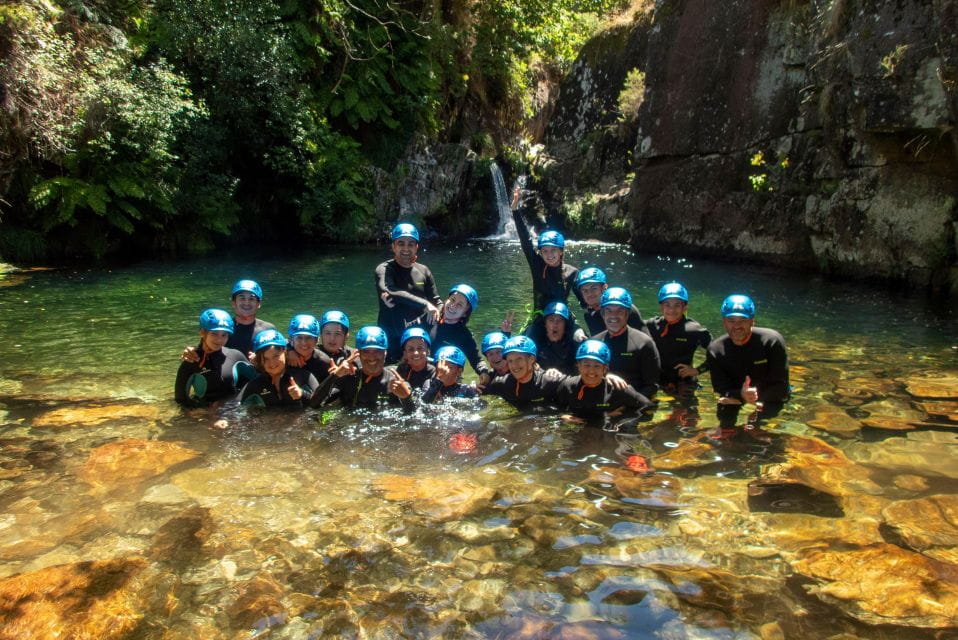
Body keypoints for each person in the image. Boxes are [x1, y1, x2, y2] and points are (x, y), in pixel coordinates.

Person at [705, 295, 789, 427]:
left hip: (771, 394)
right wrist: (741, 395)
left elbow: (781, 385)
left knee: (756, 429)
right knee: (724, 413)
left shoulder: (771, 341)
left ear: (752, 321)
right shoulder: (716, 349)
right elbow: (721, 388)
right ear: (724, 322)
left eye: (743, 320)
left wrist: (757, 400)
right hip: (737, 393)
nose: (737, 326)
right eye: (731, 320)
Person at [375, 223, 442, 363]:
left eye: (411, 244)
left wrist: (440, 313)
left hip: (418, 343)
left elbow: (437, 302)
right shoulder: (384, 269)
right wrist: (425, 304)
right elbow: (389, 290)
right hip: (393, 339)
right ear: (393, 246)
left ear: (417, 247)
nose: (406, 248)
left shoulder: (423, 271)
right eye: (401, 243)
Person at [511, 190, 584, 313]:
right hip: (540, 317)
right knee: (528, 334)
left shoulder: (572, 272)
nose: (549, 255)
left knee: (580, 334)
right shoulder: (537, 265)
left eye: (553, 250)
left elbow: (585, 301)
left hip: (563, 318)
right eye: (545, 251)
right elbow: (525, 240)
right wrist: (515, 210)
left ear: (561, 251)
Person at [311, 326, 415, 412]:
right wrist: (335, 375)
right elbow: (314, 404)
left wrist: (406, 398)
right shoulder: (349, 378)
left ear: (385, 353)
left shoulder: (396, 382)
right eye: (366, 351)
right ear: (358, 354)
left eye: (377, 351)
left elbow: (413, 416)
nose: (372, 357)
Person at [556, 340, 654, 423]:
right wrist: (562, 416)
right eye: (586, 365)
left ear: (605, 368)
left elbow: (649, 408)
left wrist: (619, 417)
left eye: (597, 365)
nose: (591, 371)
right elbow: (554, 409)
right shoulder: (568, 386)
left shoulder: (619, 388)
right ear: (578, 366)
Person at [593, 287, 661, 400]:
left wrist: (629, 405)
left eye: (619, 310)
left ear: (627, 314)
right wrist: (605, 377)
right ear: (603, 314)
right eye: (609, 310)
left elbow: (652, 386)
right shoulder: (594, 343)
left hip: (634, 404)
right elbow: (583, 376)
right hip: (602, 403)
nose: (613, 315)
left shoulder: (644, 343)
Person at [174, 309, 250, 406]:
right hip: (207, 414)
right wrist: (205, 412)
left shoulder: (235, 356)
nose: (219, 340)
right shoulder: (191, 361)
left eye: (224, 335)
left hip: (232, 411)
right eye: (214, 333)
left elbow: (258, 380)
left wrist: (258, 359)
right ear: (202, 332)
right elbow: (180, 400)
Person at [645, 282, 712, 389]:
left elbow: (718, 354)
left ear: (685, 307)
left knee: (685, 405)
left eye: (677, 305)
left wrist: (698, 370)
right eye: (667, 305)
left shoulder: (694, 330)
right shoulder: (651, 325)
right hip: (658, 380)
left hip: (683, 382)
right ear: (661, 307)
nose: (671, 310)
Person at [426, 284, 493, 383]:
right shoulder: (429, 318)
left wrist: (483, 372)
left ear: (465, 312)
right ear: (446, 300)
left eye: (460, 304)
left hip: (449, 379)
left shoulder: (464, 335)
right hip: (426, 373)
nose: (453, 305)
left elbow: (477, 360)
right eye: (452, 300)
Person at [239, 329, 319, 407]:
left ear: (285, 352)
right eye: (266, 359)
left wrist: (302, 394)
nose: (272, 363)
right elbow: (236, 408)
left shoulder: (304, 377)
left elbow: (322, 403)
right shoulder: (255, 384)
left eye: (276, 356)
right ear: (260, 361)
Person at [481, 336, 563, 411]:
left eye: (499, 352)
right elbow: (482, 391)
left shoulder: (545, 377)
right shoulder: (496, 380)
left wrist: (552, 373)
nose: (496, 357)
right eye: (490, 354)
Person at [576, 267, 646, 337]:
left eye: (594, 288)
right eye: (585, 290)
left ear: (604, 287)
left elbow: (643, 340)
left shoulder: (627, 309)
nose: (589, 294)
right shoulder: (590, 316)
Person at [523, 301, 583, 374]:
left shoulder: (573, 344)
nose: (555, 324)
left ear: (565, 325)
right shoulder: (536, 340)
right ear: (545, 324)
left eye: (560, 320)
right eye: (551, 320)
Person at [226, 279, 276, 355]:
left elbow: (280, 351)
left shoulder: (268, 330)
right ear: (233, 302)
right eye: (242, 298)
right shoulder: (224, 330)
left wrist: (291, 350)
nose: (247, 303)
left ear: (258, 304)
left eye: (251, 299)